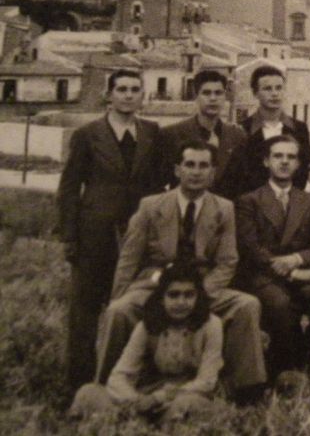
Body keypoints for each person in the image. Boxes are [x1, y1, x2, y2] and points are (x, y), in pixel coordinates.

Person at [94, 140, 267, 401]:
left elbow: (227, 260)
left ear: (212, 172)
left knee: (247, 305)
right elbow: (129, 259)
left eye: (203, 166)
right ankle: (107, 387)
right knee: (119, 311)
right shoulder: (151, 206)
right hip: (155, 286)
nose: (196, 172)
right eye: (189, 165)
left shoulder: (223, 208)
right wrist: (118, 296)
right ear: (177, 170)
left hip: (202, 286)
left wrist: (201, 292)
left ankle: (245, 391)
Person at [57, 68, 163, 391]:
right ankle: (79, 385)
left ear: (142, 95)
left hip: (137, 237)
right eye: (122, 89)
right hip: (95, 235)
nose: (129, 95)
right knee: (86, 311)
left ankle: (122, 380)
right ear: (109, 95)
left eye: (135, 89)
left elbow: (157, 186)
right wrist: (70, 236)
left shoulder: (152, 132)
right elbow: (69, 189)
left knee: (132, 306)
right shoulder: (88, 134)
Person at [235, 135, 310, 376]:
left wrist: (296, 260)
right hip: (264, 277)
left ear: (299, 164)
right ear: (266, 162)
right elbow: (251, 248)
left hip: (301, 272)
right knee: (279, 303)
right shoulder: (249, 201)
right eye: (278, 156)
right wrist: (292, 273)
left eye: (291, 157)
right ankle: (285, 366)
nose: (284, 162)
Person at [70, 263, 223, 422]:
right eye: (173, 295)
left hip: (184, 396)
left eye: (189, 295)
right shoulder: (147, 325)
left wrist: (161, 398)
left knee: (187, 406)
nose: (181, 302)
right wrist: (136, 401)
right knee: (88, 392)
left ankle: (145, 426)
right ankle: (135, 423)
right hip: (144, 398)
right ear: (161, 298)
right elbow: (119, 376)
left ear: (198, 297)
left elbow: (207, 382)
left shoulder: (211, 326)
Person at [160, 69, 247, 199]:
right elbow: (159, 182)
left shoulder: (238, 136)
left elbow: (242, 184)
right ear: (196, 96)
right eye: (206, 93)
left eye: (218, 93)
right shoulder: (172, 134)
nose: (213, 98)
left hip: (226, 214)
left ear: (225, 97)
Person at [239, 66, 310, 195]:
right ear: (255, 93)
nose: (274, 93)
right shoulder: (243, 129)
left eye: (279, 88)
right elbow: (241, 174)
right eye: (267, 89)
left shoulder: (299, 129)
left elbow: (303, 169)